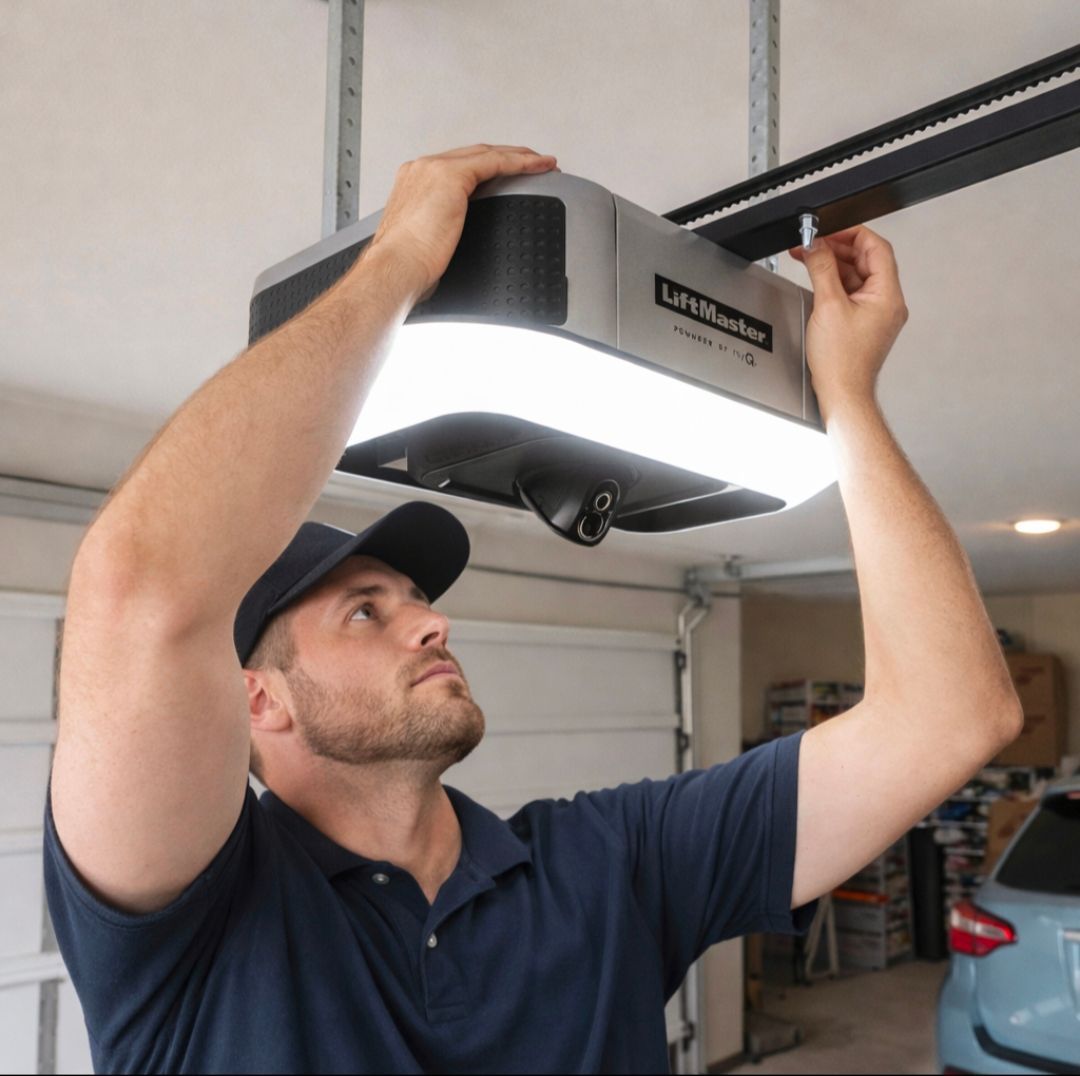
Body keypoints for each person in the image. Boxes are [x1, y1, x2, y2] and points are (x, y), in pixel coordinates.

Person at [44, 145, 1021, 1074]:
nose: (433, 623)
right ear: (258, 699)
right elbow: (140, 588)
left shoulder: (609, 863)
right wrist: (397, 264)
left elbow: (951, 716)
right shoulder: (189, 918)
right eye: (364, 613)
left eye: (418, 600)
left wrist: (849, 396)